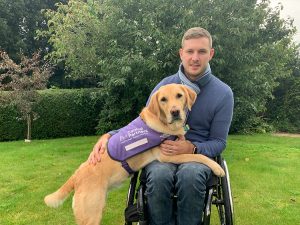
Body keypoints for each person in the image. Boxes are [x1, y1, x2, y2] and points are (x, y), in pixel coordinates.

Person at [88, 27, 234, 225]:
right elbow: (143, 122)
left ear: (211, 54)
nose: (195, 58)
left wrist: (193, 147)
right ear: (181, 53)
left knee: (190, 175)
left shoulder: (223, 93)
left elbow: (218, 142)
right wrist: (109, 136)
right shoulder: (164, 86)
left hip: (196, 155)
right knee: (158, 175)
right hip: (159, 151)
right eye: (190, 51)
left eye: (201, 51)